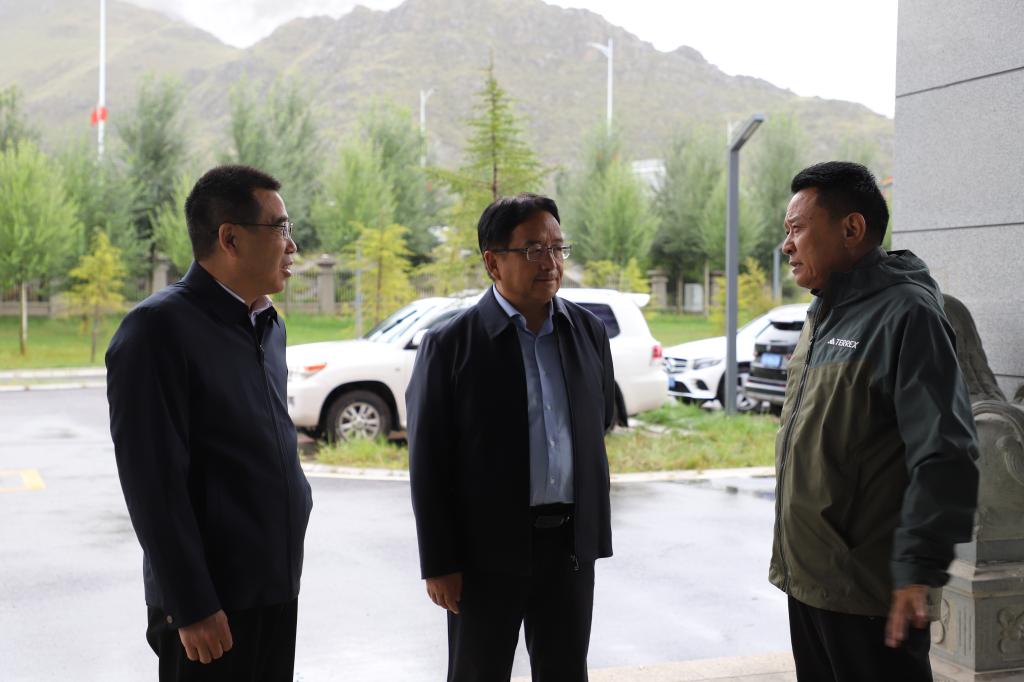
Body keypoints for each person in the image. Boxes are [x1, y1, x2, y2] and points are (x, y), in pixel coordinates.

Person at [769, 161, 979, 681]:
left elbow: (946, 452)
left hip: (871, 595)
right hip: (810, 582)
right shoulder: (823, 313)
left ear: (852, 228)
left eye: (797, 228)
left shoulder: (907, 314)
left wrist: (917, 570)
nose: (786, 245)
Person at [106, 165, 312, 681]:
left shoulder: (268, 325)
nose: (293, 246)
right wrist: (191, 604)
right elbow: (153, 485)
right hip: (209, 606)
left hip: (274, 588)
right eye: (280, 228)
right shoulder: (157, 330)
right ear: (230, 238)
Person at [406, 193, 614, 681]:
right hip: (484, 553)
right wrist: (439, 562)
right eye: (533, 249)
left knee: (565, 671)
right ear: (493, 262)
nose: (550, 262)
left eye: (558, 248)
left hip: (568, 548)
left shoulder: (587, 333)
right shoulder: (450, 345)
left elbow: (597, 421)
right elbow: (429, 463)